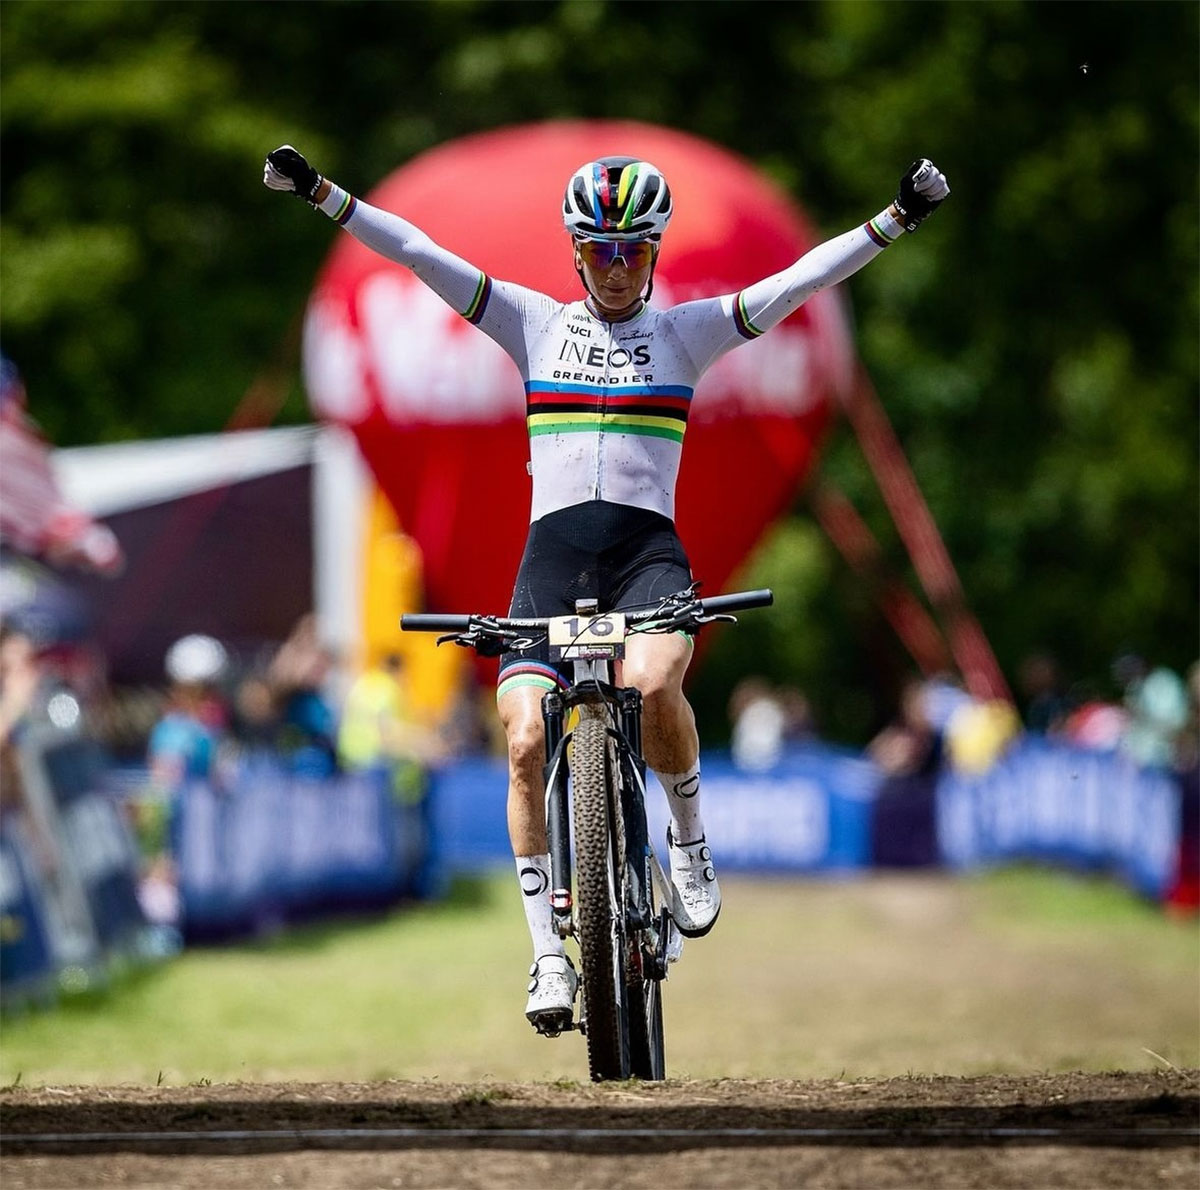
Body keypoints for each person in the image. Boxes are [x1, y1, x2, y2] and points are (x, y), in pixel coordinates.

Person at [264, 142, 950, 1029]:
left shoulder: (685, 335)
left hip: (647, 556)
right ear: (574, 252)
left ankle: (690, 845)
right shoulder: (532, 323)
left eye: (633, 250)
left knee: (654, 683)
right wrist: (324, 194)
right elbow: (416, 253)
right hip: (550, 563)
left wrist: (894, 219)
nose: (617, 268)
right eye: (599, 250)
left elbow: (795, 284)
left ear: (655, 253)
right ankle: (548, 957)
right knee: (519, 742)